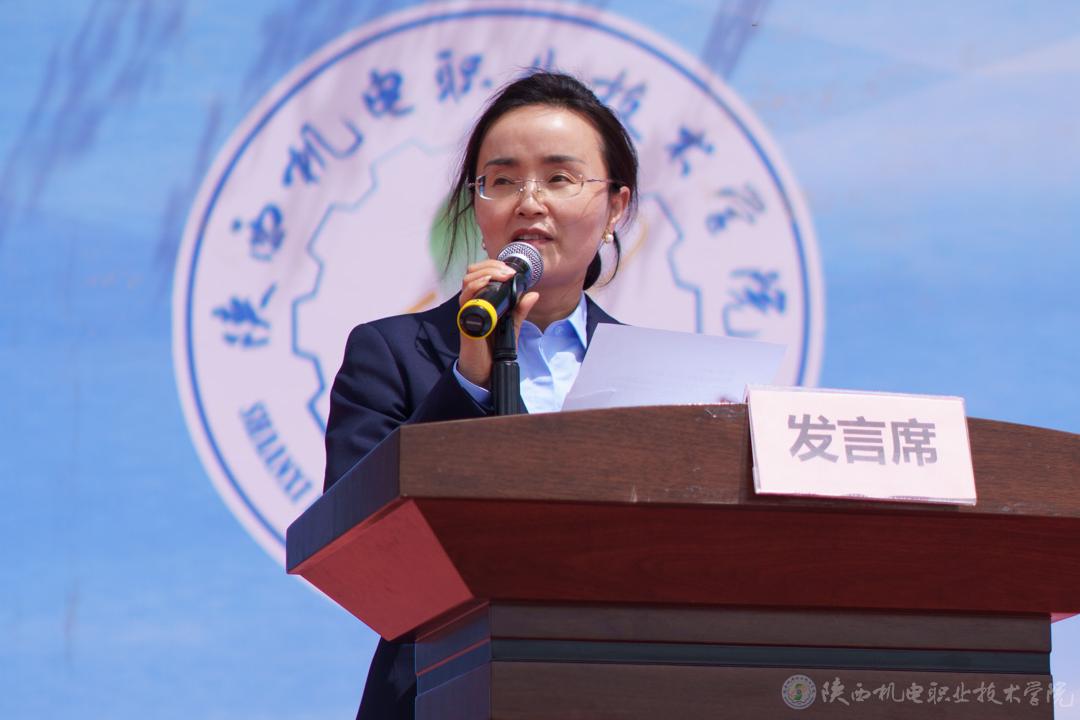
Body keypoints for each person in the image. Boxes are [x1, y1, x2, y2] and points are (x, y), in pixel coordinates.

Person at [321, 71, 639, 720]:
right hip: (439, 689)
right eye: (502, 180)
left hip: (620, 687)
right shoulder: (390, 353)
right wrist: (469, 377)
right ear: (476, 206)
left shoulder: (653, 375)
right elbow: (360, 533)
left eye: (559, 177)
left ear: (615, 207)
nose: (529, 202)